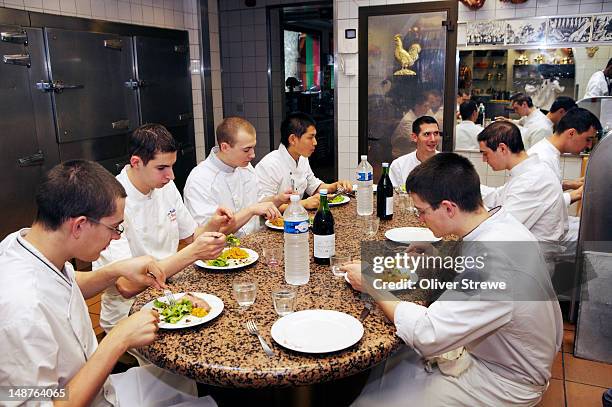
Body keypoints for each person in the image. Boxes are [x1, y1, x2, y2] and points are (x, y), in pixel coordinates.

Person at [342, 153, 563, 406]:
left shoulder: (495, 262)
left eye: (422, 211)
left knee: (368, 401)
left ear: (448, 207)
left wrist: (372, 283)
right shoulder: (501, 224)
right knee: (390, 366)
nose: (419, 219)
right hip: (504, 354)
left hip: (503, 381)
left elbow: (428, 333)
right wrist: (439, 259)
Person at [0, 160, 216, 406]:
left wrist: (114, 270)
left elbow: (63, 285)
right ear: (79, 225)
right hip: (75, 396)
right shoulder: (20, 309)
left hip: (98, 386)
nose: (116, 237)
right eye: (114, 228)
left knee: (184, 380)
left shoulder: (28, 244)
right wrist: (117, 339)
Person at [95, 124, 228, 333]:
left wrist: (213, 225)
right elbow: (127, 286)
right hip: (129, 312)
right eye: (162, 168)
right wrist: (191, 253)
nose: (171, 176)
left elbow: (192, 236)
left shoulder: (164, 186)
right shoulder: (111, 202)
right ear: (136, 162)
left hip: (170, 293)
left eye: (172, 166)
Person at [184, 117, 289, 236]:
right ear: (225, 147)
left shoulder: (245, 167)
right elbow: (208, 234)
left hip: (252, 240)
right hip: (220, 251)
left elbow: (259, 201)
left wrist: (278, 199)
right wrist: (250, 211)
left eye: (253, 147)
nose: (253, 155)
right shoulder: (200, 179)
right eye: (246, 150)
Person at [478, 121, 566, 244]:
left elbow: (504, 228)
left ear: (502, 148)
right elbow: (498, 197)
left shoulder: (532, 180)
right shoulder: (526, 173)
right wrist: (467, 187)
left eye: (485, 153)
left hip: (530, 257)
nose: (484, 160)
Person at [528, 107, 601, 243]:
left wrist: (569, 184)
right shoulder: (542, 158)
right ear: (571, 133)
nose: (589, 145)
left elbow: (543, 189)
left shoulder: (548, 152)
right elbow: (539, 203)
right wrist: (579, 194)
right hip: (540, 237)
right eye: (588, 139)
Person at [255, 112, 352, 211]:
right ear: (293, 139)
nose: (315, 142)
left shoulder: (302, 158)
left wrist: (335, 186)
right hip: (273, 224)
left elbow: (313, 187)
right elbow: (263, 206)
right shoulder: (269, 164)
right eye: (310, 137)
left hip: (297, 219)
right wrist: (303, 204)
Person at [389, 116, 439, 189]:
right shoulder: (399, 165)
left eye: (436, 133)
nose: (433, 139)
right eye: (427, 134)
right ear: (414, 137)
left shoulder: (448, 164)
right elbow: (393, 196)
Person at [390, 92, 431, 159]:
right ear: (417, 106)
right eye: (425, 106)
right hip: (401, 155)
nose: (428, 109)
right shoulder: (408, 120)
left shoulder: (419, 116)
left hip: (412, 152)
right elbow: (415, 141)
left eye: (428, 106)